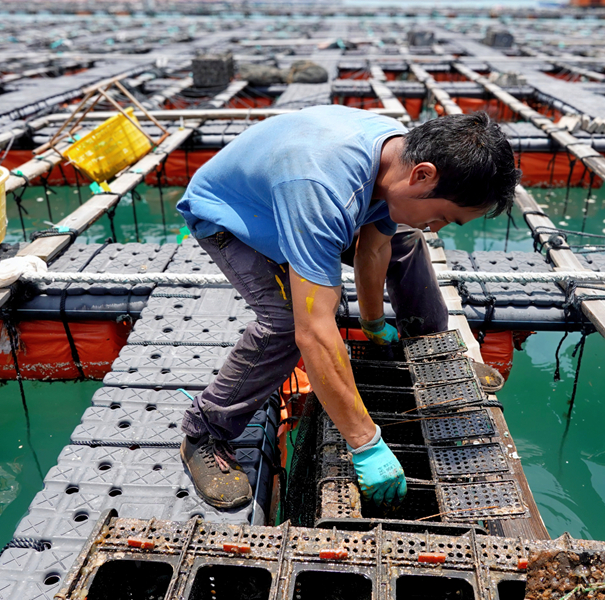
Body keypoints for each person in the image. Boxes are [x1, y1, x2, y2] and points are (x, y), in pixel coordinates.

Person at [176, 105, 519, 510]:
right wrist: (366, 444)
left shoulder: (395, 154)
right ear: (422, 174)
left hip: (294, 194)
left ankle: (430, 354)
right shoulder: (321, 188)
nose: (438, 226)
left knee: (407, 241)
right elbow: (314, 331)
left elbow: (375, 247)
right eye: (444, 215)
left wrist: (373, 324)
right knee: (287, 321)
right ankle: (204, 431)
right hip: (232, 216)